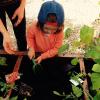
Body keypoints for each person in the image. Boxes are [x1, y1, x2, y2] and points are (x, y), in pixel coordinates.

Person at [26, 1, 70, 100]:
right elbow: (30, 37)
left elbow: (56, 49)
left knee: (52, 73)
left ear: (59, 26)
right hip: (37, 52)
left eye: (53, 29)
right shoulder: (32, 28)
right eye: (46, 29)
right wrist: (31, 48)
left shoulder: (60, 33)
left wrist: (43, 56)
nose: (50, 32)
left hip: (50, 54)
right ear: (40, 24)